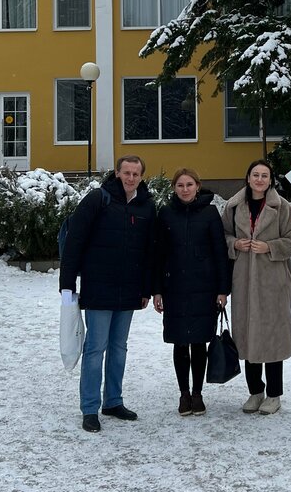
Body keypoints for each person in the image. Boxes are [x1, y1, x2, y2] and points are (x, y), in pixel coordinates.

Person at [59, 155, 155, 433]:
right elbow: (75, 241)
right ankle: (90, 408)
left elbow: (150, 251)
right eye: (126, 172)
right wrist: (67, 285)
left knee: (119, 348)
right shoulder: (97, 199)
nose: (131, 178)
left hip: (129, 289)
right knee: (95, 348)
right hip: (99, 287)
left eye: (136, 174)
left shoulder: (146, 206)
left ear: (141, 176)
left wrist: (146, 288)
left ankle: (113, 401)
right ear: (117, 173)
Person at [222, 159, 291, 415]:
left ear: (270, 180)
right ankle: (255, 391)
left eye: (264, 175)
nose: (259, 179)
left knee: (272, 336)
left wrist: (270, 247)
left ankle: (274, 394)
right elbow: (222, 235)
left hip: (273, 280)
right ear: (248, 178)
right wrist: (234, 244)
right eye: (255, 175)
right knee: (247, 335)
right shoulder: (234, 206)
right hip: (243, 279)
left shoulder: (282, 206)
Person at [153, 168, 230, 416]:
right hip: (174, 287)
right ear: (174, 188)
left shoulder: (210, 213)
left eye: (189, 185)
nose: (185, 189)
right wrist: (157, 290)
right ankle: (183, 393)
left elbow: (220, 253)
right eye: (180, 185)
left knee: (198, 343)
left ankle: (197, 394)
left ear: (197, 186)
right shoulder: (166, 213)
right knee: (179, 343)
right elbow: (158, 254)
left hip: (203, 288)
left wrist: (223, 289)